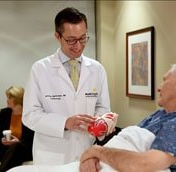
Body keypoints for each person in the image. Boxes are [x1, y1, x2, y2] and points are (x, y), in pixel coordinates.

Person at [22, 7, 111, 165]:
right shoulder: (40, 69)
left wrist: (101, 123)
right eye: (71, 40)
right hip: (51, 156)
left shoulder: (97, 69)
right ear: (58, 36)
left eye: (83, 38)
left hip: (87, 152)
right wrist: (64, 123)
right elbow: (30, 115)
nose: (78, 46)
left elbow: (103, 107)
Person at [79, 62, 176, 172]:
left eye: (164, 80)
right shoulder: (161, 115)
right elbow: (130, 144)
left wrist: (96, 151)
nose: (158, 88)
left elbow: (143, 165)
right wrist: (92, 158)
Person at [0, 86, 34, 172]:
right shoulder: (4, 113)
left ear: (18, 99)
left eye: (9, 98)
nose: (7, 100)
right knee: (13, 155)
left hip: (25, 150)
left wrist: (18, 142)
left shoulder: (30, 114)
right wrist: (2, 140)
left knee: (17, 147)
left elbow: (31, 139)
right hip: (5, 150)